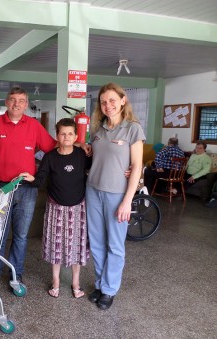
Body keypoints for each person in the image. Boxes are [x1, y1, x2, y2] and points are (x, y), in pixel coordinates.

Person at [0, 86, 57, 290]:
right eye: (13, 99)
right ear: (6, 102)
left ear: (26, 104)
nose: (16, 104)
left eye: (21, 100)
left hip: (27, 189)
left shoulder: (33, 125)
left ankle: (15, 273)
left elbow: (52, 149)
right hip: (0, 188)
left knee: (20, 235)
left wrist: (78, 145)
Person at [86, 83, 145, 310]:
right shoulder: (98, 130)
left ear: (122, 101)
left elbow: (137, 165)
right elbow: (97, 157)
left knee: (115, 245)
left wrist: (127, 201)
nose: (107, 105)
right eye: (103, 101)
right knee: (98, 243)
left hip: (117, 195)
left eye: (112, 100)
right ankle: (100, 284)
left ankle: (110, 290)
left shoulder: (133, 129)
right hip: (92, 191)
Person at [19, 118, 91, 298]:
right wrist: (31, 179)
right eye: (62, 133)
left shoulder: (82, 155)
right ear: (57, 136)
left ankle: (76, 282)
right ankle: (56, 280)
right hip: (55, 207)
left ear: (76, 136)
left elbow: (95, 171)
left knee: (77, 246)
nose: (66, 137)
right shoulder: (50, 157)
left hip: (78, 207)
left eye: (70, 134)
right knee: (55, 245)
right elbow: (41, 179)